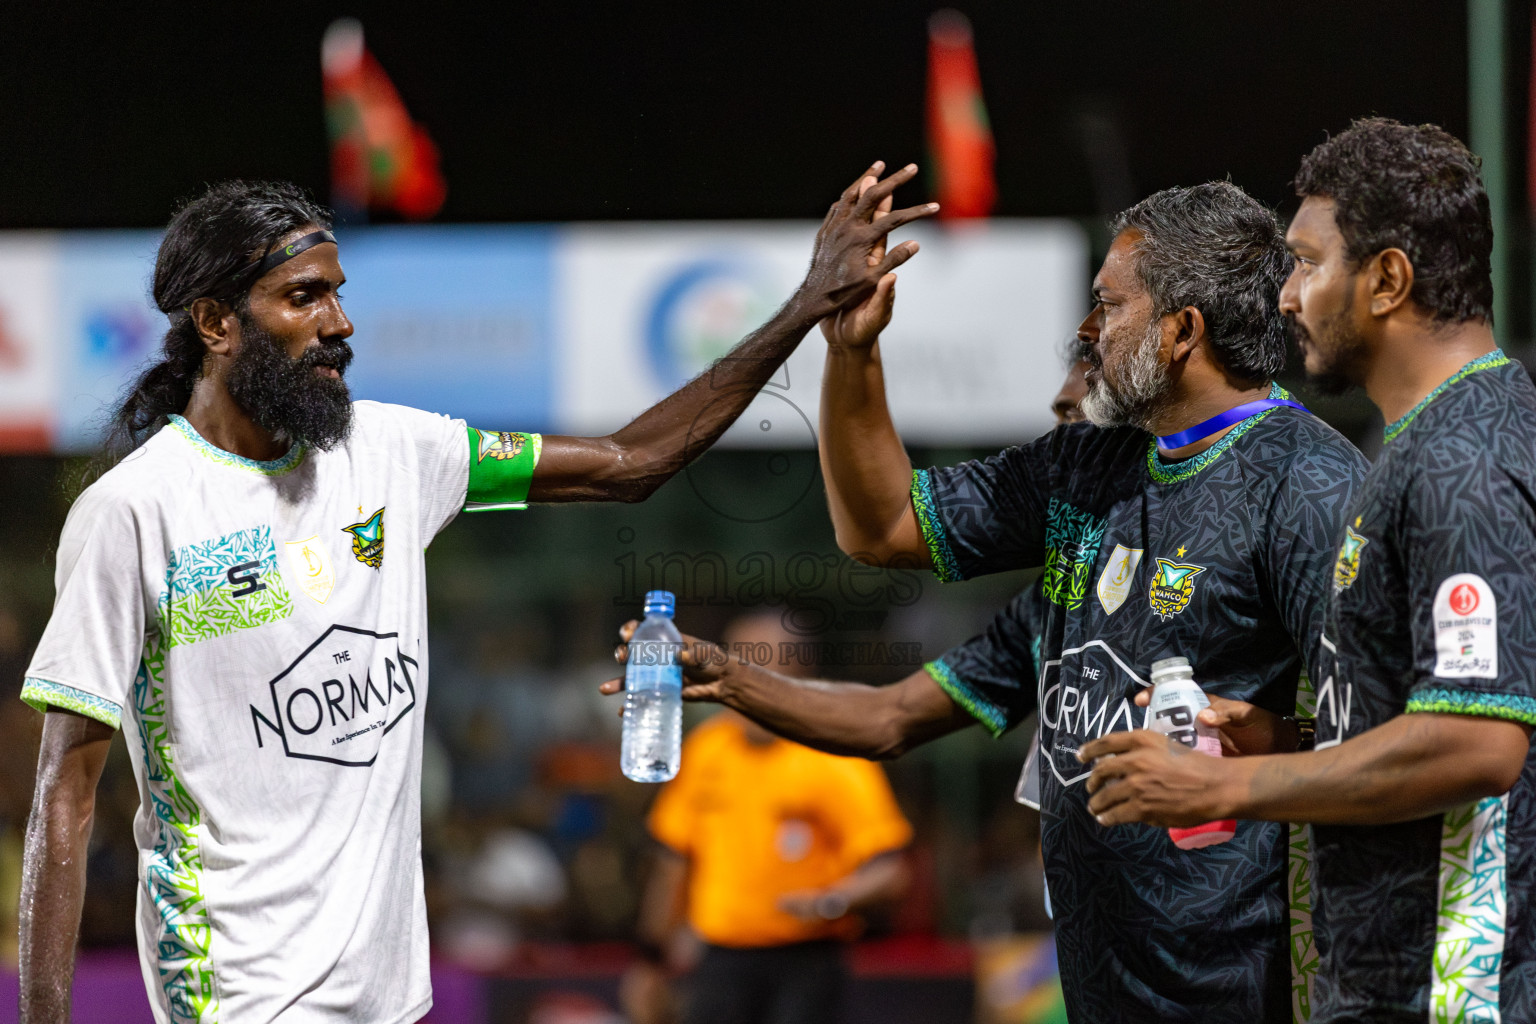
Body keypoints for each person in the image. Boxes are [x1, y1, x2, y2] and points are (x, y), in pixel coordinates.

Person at [17, 165, 936, 1024]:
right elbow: (67, 789)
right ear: (216, 323)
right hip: (238, 993)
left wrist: (806, 304)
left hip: (389, 993)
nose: (339, 322)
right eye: (304, 297)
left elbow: (631, 464)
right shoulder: (134, 511)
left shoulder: (392, 453)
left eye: (339, 293)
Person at [607, 180, 1368, 1021]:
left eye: (1108, 307)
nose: (1086, 333)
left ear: (1182, 330)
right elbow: (885, 527)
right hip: (1102, 986)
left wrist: (1267, 741)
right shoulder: (1090, 467)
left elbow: (1397, 740)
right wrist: (853, 352)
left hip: (1250, 987)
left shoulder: (1311, 487)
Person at [1081, 118, 1536, 1023]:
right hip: (1380, 976)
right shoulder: (1421, 441)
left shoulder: (1462, 458)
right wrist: (1283, 740)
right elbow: (1423, 714)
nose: (1286, 297)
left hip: (1448, 991)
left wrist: (1225, 788)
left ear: (1388, 280)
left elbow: (1480, 744)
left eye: (1304, 262)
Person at [625, 613, 911, 1024]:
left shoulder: (832, 754)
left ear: (797, 674)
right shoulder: (707, 749)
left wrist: (830, 902)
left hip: (805, 962)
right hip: (720, 961)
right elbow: (674, 860)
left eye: (755, 664)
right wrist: (650, 961)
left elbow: (890, 869)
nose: (734, 675)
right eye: (731, 659)